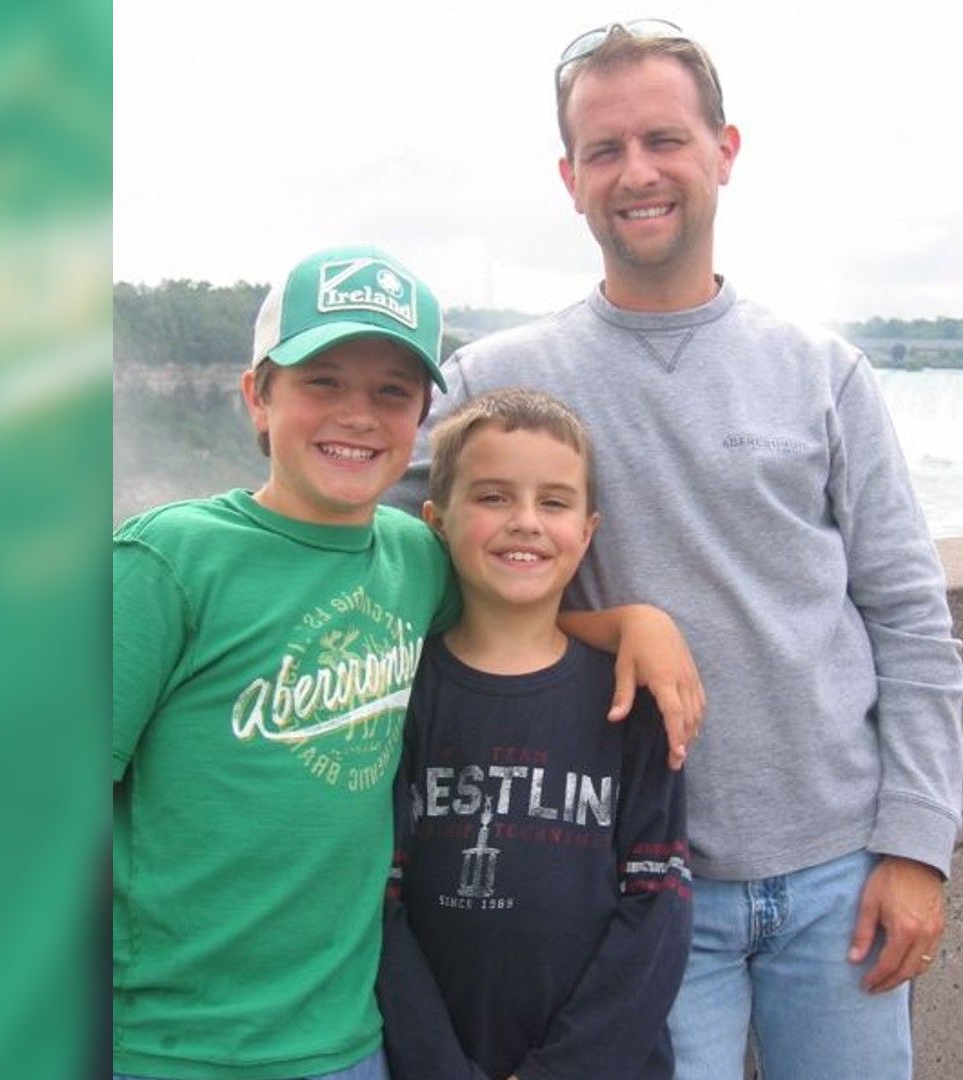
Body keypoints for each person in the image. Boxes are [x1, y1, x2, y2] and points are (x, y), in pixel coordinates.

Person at [389, 23, 963, 1080]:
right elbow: (398, 578)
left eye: (665, 139)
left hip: (839, 876)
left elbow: (911, 618)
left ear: (724, 152)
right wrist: (620, 624)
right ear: (569, 179)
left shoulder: (823, 373)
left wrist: (918, 845)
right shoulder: (493, 382)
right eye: (604, 150)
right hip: (636, 885)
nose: (636, 173)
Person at [112, 245, 702, 1080]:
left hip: (353, 1041)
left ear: (420, 414)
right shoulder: (167, 562)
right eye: (322, 381)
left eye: (391, 392)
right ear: (257, 396)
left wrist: (635, 623)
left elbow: (516, 619)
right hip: (174, 1047)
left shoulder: (416, 562)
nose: (358, 415)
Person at [376, 389, 692, 1080]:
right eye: (492, 497)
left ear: (588, 530)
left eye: (553, 503)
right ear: (435, 520)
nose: (525, 523)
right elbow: (378, 909)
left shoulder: (630, 699)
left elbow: (658, 909)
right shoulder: (399, 698)